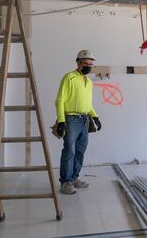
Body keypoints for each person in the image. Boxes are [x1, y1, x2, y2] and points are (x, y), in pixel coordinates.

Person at [55, 50, 102, 194]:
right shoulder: (69, 78)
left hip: (84, 119)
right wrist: (61, 121)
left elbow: (88, 103)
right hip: (71, 119)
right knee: (69, 151)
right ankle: (66, 182)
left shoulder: (88, 81)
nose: (88, 67)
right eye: (86, 64)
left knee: (80, 150)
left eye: (91, 65)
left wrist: (95, 117)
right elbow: (60, 100)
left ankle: (74, 178)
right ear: (78, 63)